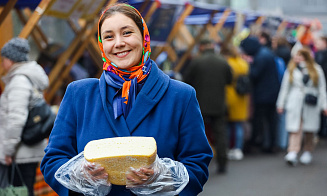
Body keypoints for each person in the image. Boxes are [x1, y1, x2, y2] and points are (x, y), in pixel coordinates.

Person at [40, 4, 212, 196]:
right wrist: (78, 176)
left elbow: (197, 164)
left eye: (127, 32)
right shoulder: (79, 95)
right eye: (109, 36)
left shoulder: (180, 96)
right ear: (101, 44)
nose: (119, 43)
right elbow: (52, 161)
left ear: (144, 36)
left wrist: (164, 177)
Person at [0, 37, 49, 196]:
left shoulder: (19, 81)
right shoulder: (28, 78)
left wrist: (8, 151)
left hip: (19, 152)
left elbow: (15, 119)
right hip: (26, 150)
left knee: (18, 191)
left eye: (4, 58)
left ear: (11, 59)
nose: (2, 63)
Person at [184, 39, 232, 173]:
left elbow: (186, 80)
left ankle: (198, 164)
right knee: (220, 134)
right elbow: (229, 80)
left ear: (201, 47)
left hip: (200, 104)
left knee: (199, 134)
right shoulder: (223, 61)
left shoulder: (196, 62)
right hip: (219, 103)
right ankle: (222, 163)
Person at [277, 47, 327, 166]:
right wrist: (281, 103)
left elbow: (322, 89)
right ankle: (293, 151)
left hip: (311, 103)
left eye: (299, 56)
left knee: (310, 129)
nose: (296, 58)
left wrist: (324, 105)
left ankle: (307, 151)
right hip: (295, 102)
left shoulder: (316, 69)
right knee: (295, 128)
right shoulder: (291, 69)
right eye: (295, 56)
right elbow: (285, 88)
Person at [240, 36, 280, 153]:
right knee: (271, 121)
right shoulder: (266, 53)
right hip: (271, 93)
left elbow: (254, 74)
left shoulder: (261, 56)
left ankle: (257, 144)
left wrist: (247, 64)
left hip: (263, 94)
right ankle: (271, 144)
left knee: (260, 120)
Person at [220, 43, 250, 161]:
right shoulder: (243, 63)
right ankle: (238, 148)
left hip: (230, 95)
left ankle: (228, 148)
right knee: (238, 125)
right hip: (242, 97)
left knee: (228, 125)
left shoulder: (228, 63)